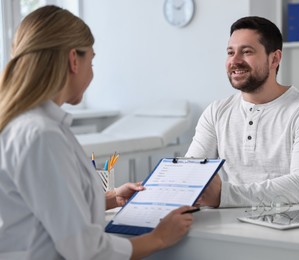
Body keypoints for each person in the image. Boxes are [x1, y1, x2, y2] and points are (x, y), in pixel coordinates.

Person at [0, 5, 196, 260]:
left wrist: (111, 198)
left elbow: (45, 205)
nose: (92, 71)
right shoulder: (42, 135)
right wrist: (159, 237)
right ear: (73, 60)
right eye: (91, 61)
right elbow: (86, 250)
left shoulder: (26, 124)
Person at [186, 16, 299, 208]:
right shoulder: (216, 112)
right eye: (230, 52)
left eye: (246, 52)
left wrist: (225, 196)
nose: (235, 61)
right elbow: (189, 171)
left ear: (275, 59)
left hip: (295, 228)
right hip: (232, 223)